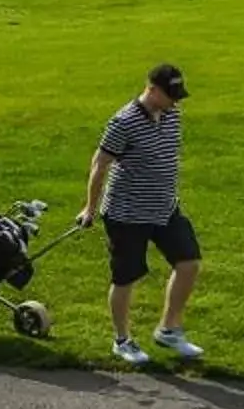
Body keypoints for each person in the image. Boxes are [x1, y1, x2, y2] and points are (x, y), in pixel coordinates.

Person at [77, 62, 202, 368]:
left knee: (189, 264)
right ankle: (122, 340)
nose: (176, 101)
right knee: (126, 278)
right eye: (171, 95)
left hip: (164, 208)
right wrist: (90, 208)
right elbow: (100, 164)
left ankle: (169, 329)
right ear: (152, 90)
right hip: (127, 213)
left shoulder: (173, 115)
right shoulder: (124, 122)